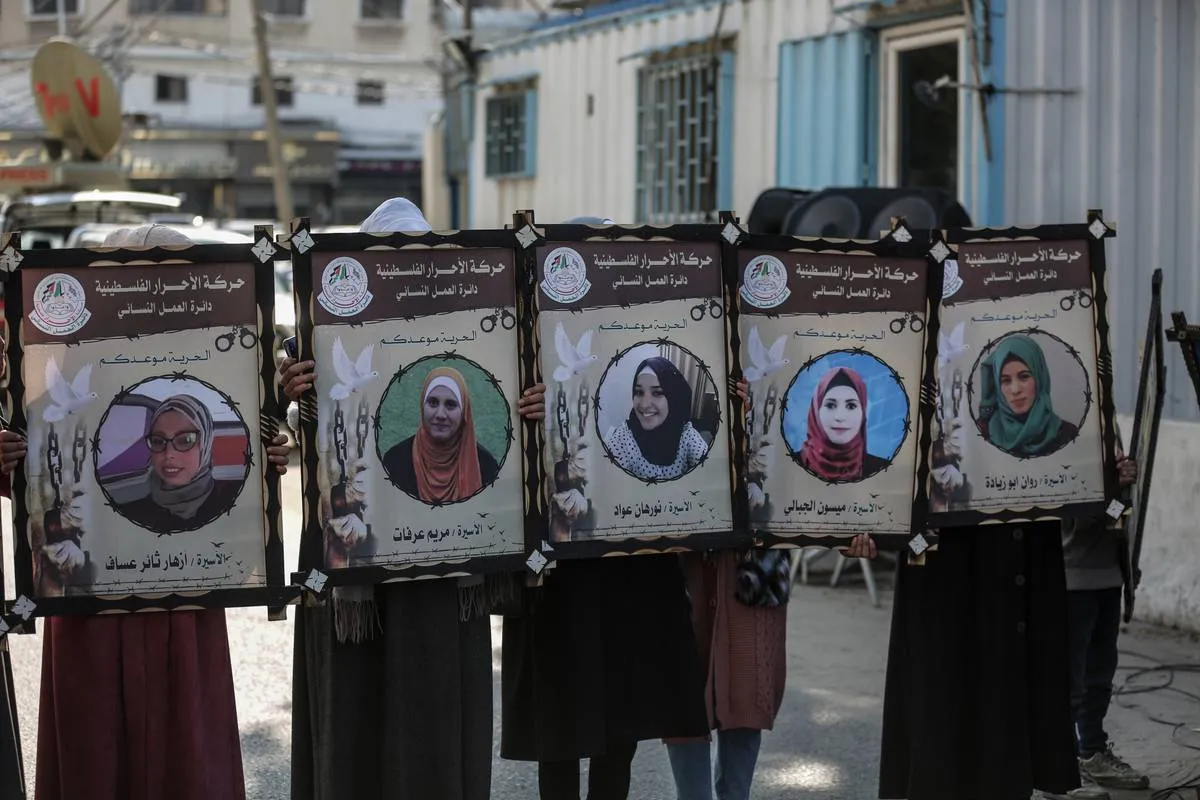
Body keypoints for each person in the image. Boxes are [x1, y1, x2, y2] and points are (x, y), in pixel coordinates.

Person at [2, 223, 294, 800]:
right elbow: (35, 484)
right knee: (95, 752)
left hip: (184, 604)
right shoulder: (55, 378)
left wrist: (267, 461)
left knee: (186, 749)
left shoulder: (214, 366)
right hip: (88, 604)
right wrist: (8, 459)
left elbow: (244, 484)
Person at [284, 196, 549, 800]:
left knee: (433, 721)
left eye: (417, 259)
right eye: (389, 260)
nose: (441, 411)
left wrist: (530, 407)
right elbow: (297, 428)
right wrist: (291, 390)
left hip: (443, 574)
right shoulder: (329, 327)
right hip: (353, 566)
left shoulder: (475, 328)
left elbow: (517, 416)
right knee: (353, 716)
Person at [501, 217, 709, 800]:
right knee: (558, 718)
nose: (646, 401)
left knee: (622, 717)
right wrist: (525, 407)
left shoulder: (643, 337)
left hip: (634, 571)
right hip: (558, 573)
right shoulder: (526, 333)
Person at [666, 377, 876, 800]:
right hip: (684, 567)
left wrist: (847, 531)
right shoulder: (687, 386)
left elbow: (810, 486)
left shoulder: (787, 398)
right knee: (683, 696)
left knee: (747, 691)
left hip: (754, 572)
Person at [1043, 433, 1146, 800]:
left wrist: (1125, 476)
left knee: (1100, 675)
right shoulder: (1059, 429)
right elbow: (1064, 506)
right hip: (1072, 575)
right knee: (1068, 680)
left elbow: (1121, 501)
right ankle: (1057, 769)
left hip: (1108, 572)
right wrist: (1111, 484)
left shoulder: (1107, 423)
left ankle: (1092, 751)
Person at [115, 394, 243, 532]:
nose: (168, 454)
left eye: (185, 440)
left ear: (205, 444)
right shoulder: (128, 514)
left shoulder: (236, 505)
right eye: (158, 441)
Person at [381, 366, 499, 502]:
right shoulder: (394, 462)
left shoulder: (486, 466)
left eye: (450, 404)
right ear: (422, 406)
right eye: (433, 402)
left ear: (464, 412)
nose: (440, 415)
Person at [602, 356, 708, 481]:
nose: (644, 405)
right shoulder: (624, 437)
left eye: (657, 393)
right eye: (639, 392)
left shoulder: (685, 432)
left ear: (672, 397)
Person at [978, 334, 1078, 457]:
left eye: (1024, 377)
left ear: (1040, 378)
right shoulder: (982, 432)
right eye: (1006, 380)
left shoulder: (1067, 434)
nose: (1015, 390)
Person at [797, 366, 889, 482]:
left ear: (863, 412)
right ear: (816, 411)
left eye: (851, 406)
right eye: (830, 405)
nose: (840, 417)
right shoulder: (790, 464)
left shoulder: (883, 470)